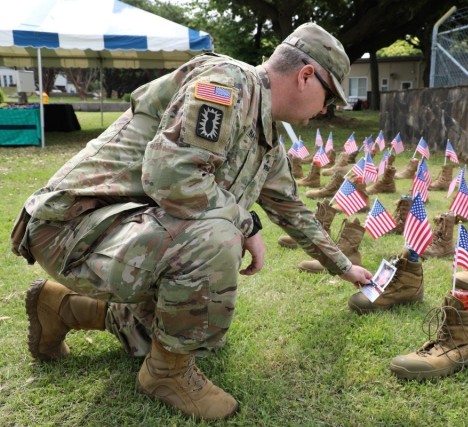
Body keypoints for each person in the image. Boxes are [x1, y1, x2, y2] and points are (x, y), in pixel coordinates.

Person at [10, 22, 372, 421]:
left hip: (118, 230)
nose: (326, 110)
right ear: (306, 76)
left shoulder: (267, 138)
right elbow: (171, 176)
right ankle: (167, 375)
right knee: (215, 236)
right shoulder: (224, 85)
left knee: (181, 325)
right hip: (72, 226)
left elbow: (293, 210)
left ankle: (61, 307)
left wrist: (344, 267)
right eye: (329, 98)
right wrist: (245, 225)